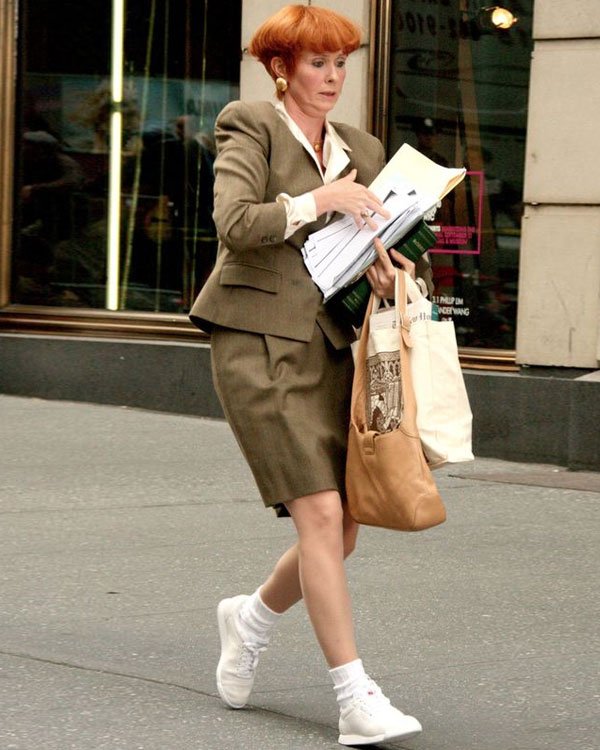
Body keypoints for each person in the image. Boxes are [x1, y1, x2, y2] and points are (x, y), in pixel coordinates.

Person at [189, 5, 432, 746]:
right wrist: (319, 199)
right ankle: (354, 697)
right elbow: (234, 223)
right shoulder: (250, 124)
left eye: (341, 64)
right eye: (317, 63)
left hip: (333, 346)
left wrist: (392, 271)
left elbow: (383, 245)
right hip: (256, 341)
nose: (332, 78)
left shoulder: (360, 143)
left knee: (345, 525)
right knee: (322, 517)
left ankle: (251, 616)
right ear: (282, 68)